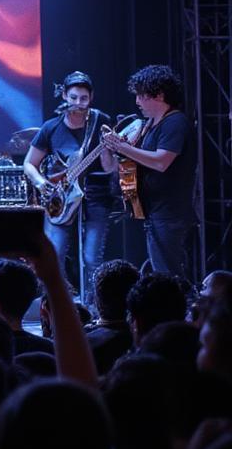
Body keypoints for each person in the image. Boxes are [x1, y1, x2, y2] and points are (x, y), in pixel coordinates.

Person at [23, 71, 115, 297]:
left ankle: (95, 310)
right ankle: (59, 306)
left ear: (91, 98)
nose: (78, 103)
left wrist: (108, 147)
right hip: (61, 196)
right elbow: (29, 164)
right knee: (53, 254)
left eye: (83, 98)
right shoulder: (51, 128)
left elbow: (110, 167)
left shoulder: (100, 121)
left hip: (96, 195)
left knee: (92, 258)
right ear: (64, 96)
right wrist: (42, 184)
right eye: (73, 97)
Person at [102, 64, 197, 276]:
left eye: (141, 95)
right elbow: (122, 164)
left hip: (170, 212)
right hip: (155, 212)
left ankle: (181, 308)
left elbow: (161, 162)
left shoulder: (175, 122)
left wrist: (122, 147)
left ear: (159, 95)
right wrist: (112, 149)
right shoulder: (150, 124)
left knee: (169, 275)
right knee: (161, 272)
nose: (137, 102)